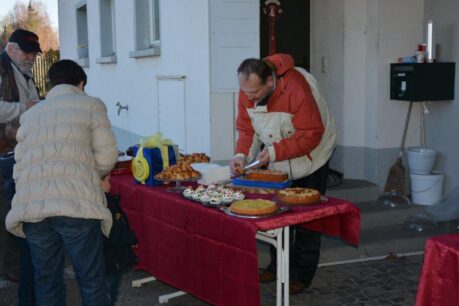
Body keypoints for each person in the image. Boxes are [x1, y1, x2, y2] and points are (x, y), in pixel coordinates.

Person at [6, 59, 118, 305]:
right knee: (91, 280)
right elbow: (107, 158)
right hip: (76, 203)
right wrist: (90, 174)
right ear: (81, 83)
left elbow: (20, 164)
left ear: (53, 83)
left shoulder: (31, 114)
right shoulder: (91, 105)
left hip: (33, 207)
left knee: (47, 280)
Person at [230, 54, 336, 294]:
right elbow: (246, 129)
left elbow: (311, 133)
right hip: (277, 155)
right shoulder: (249, 89)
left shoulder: (297, 88)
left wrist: (275, 151)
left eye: (254, 93)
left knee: (308, 219)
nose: (249, 98)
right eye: (245, 92)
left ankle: (302, 275)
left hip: (313, 157)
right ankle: (277, 267)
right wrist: (240, 156)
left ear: (270, 81)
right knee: (277, 213)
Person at [0, 28, 41, 305]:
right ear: (12, 49)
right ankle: (11, 266)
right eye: (27, 52)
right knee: (6, 210)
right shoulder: (3, 70)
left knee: (16, 205)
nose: (31, 57)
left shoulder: (21, 70)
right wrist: (25, 108)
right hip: (3, 152)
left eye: (34, 53)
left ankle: (19, 263)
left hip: (19, 148)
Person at [101, 174, 138, 306]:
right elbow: (114, 236)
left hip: (106, 258)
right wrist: (132, 238)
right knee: (109, 292)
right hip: (111, 259)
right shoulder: (107, 206)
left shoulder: (105, 202)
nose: (110, 183)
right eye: (107, 180)